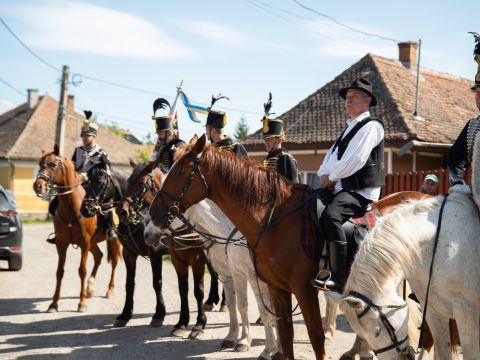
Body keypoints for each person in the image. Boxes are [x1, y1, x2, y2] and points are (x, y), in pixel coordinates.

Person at [311, 78, 385, 292]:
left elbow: (356, 159)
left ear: (367, 100)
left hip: (360, 191)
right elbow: (330, 157)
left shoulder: (371, 126)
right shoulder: (349, 129)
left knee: (331, 216)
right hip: (340, 186)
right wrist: (324, 174)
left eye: (353, 97)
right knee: (309, 204)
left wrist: (332, 177)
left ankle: (338, 275)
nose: (347, 100)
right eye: (347, 97)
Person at [47, 111, 115, 243]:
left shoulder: (101, 153)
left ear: (94, 137)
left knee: (105, 203)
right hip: (76, 184)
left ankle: (110, 229)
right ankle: (59, 232)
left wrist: (88, 176)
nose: (85, 138)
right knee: (55, 203)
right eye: (83, 135)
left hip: (95, 186)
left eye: (87, 136)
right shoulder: (78, 150)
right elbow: (72, 166)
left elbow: (107, 172)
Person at [261, 93, 298, 182]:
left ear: (279, 140)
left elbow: (290, 187)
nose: (266, 142)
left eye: (269, 139)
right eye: (265, 139)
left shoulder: (285, 158)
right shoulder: (266, 160)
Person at [205, 94, 248, 159]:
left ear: (213, 129)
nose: (206, 133)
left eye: (207, 129)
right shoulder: (208, 150)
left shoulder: (236, 147)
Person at [151, 98, 185, 170]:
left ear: (169, 133)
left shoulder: (179, 145)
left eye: (160, 134)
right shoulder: (162, 147)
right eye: (158, 134)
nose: (158, 137)